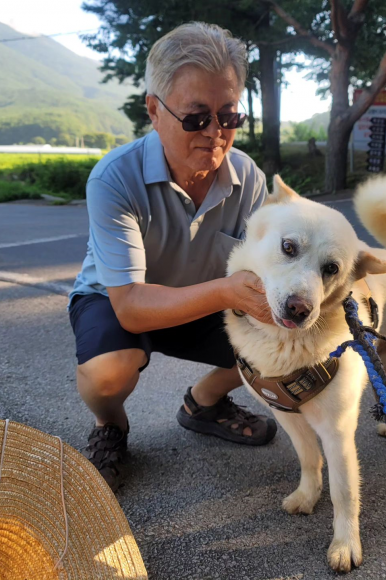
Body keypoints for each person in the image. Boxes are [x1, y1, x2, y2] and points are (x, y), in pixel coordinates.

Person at [68, 22, 277, 491]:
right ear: (153, 111)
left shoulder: (249, 179)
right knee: (107, 374)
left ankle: (203, 403)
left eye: (229, 116)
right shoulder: (113, 179)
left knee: (283, 349)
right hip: (121, 301)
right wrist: (227, 290)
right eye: (196, 117)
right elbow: (130, 306)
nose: (216, 133)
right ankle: (111, 426)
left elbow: (272, 270)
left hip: (205, 297)